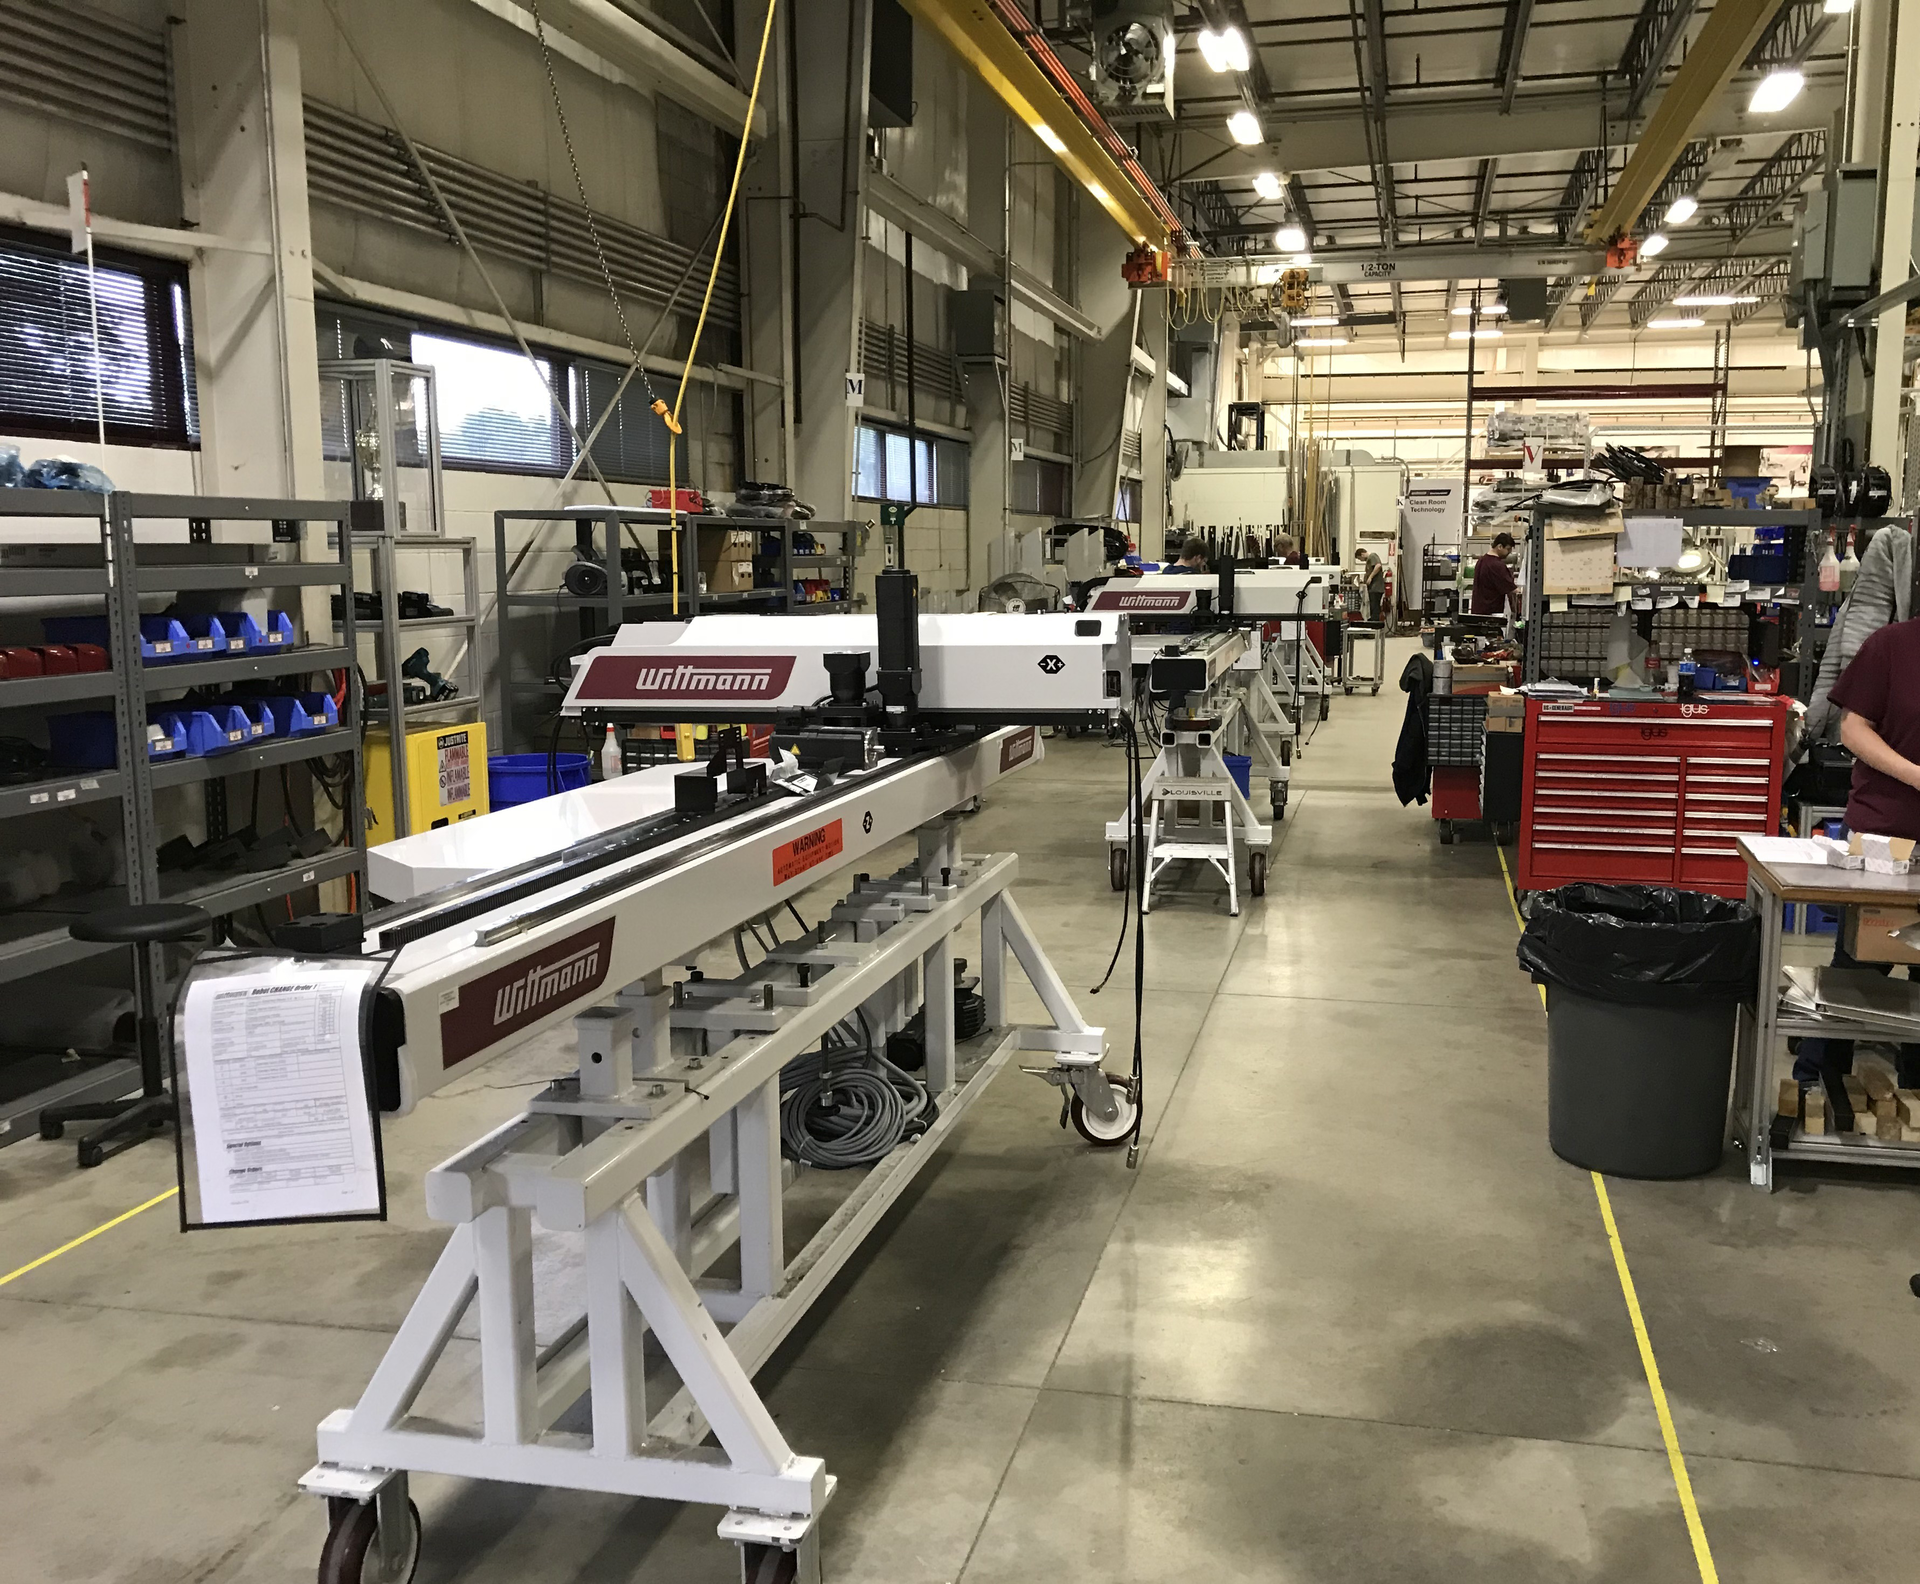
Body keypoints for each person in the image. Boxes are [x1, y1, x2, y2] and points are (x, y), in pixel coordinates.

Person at [1794, 612, 1920, 1087]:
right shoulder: (1892, 646)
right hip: (1888, 838)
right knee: (1860, 968)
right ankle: (1812, 1084)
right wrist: (1916, 776)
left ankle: (1911, 1097)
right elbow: (1853, 730)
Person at [1470, 531, 1520, 617]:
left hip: (1477, 611)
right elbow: (1511, 588)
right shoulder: (1497, 565)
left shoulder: (1481, 560)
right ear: (1500, 546)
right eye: (1508, 549)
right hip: (1491, 613)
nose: (1509, 553)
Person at [1363, 551, 1386, 621]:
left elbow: (1378, 565)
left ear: (1362, 554)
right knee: (1373, 607)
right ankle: (1373, 621)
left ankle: (1375, 623)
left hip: (1376, 588)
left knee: (1375, 607)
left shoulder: (1372, 556)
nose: (1362, 560)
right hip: (1373, 588)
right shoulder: (1370, 560)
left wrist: (1370, 577)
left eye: (1360, 558)